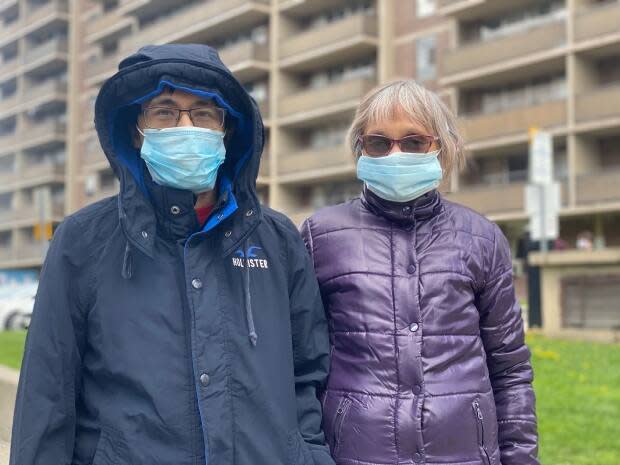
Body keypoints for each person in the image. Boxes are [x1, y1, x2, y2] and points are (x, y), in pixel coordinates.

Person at [10, 44, 334, 465]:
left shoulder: (277, 240)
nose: (186, 126)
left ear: (227, 130)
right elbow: (47, 397)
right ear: (135, 129)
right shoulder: (83, 240)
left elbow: (307, 374)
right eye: (164, 112)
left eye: (203, 113)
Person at [300, 80, 539, 465]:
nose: (396, 154)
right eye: (379, 142)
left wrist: (521, 458)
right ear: (361, 148)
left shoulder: (481, 237)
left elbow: (510, 369)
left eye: (414, 142)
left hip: (464, 454)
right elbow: (303, 367)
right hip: (356, 454)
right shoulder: (321, 235)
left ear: (441, 148)